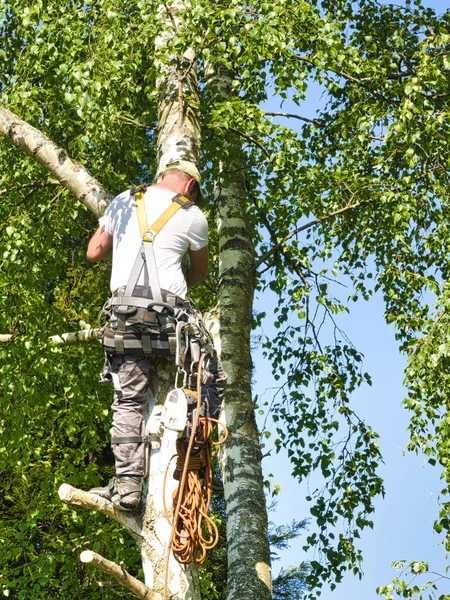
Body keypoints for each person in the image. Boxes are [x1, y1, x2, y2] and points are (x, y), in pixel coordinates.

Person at [86, 160, 209, 511]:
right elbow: (198, 274)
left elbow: (94, 252)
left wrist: (108, 227)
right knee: (194, 389)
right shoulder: (193, 216)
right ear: (190, 187)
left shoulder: (125, 200)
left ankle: (127, 488)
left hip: (126, 317)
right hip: (172, 324)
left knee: (128, 401)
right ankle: (185, 478)